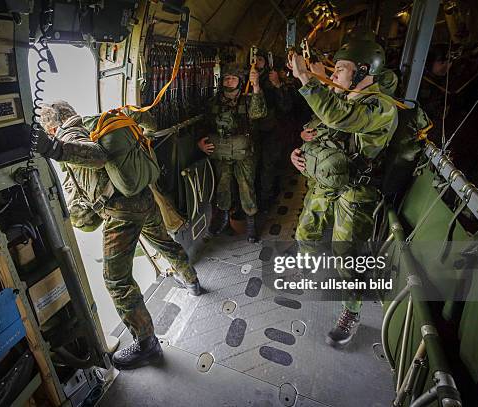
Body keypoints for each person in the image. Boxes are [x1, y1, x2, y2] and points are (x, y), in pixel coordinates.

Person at [36, 101, 201, 369]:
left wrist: (55, 148)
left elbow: (98, 157)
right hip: (145, 198)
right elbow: (150, 122)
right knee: (164, 242)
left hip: (121, 214)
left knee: (116, 280)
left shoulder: (66, 136)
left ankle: (147, 343)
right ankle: (191, 281)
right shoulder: (99, 120)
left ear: (52, 126)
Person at [289, 38, 398, 348]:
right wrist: (299, 152)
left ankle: (351, 310)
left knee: (347, 255)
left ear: (363, 70)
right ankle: (310, 271)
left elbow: (338, 118)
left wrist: (307, 79)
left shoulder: (381, 107)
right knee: (305, 233)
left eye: (339, 70)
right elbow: (321, 127)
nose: (333, 75)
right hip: (327, 182)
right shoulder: (345, 97)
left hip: (357, 190)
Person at [197, 63, 267, 242]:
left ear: (240, 81)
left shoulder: (248, 99)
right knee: (223, 187)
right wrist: (200, 143)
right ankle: (223, 220)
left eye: (233, 78)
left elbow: (259, 114)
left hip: (243, 153)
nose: (229, 81)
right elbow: (204, 125)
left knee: (246, 187)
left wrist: (256, 86)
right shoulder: (213, 102)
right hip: (220, 152)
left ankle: (251, 224)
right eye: (226, 78)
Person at [252, 49, 293, 210]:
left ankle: (266, 198)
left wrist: (277, 85)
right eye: (254, 59)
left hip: (270, 128)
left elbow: (286, 106)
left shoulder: (272, 78)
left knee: (269, 164)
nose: (257, 62)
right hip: (250, 130)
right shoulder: (243, 78)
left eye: (260, 59)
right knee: (253, 166)